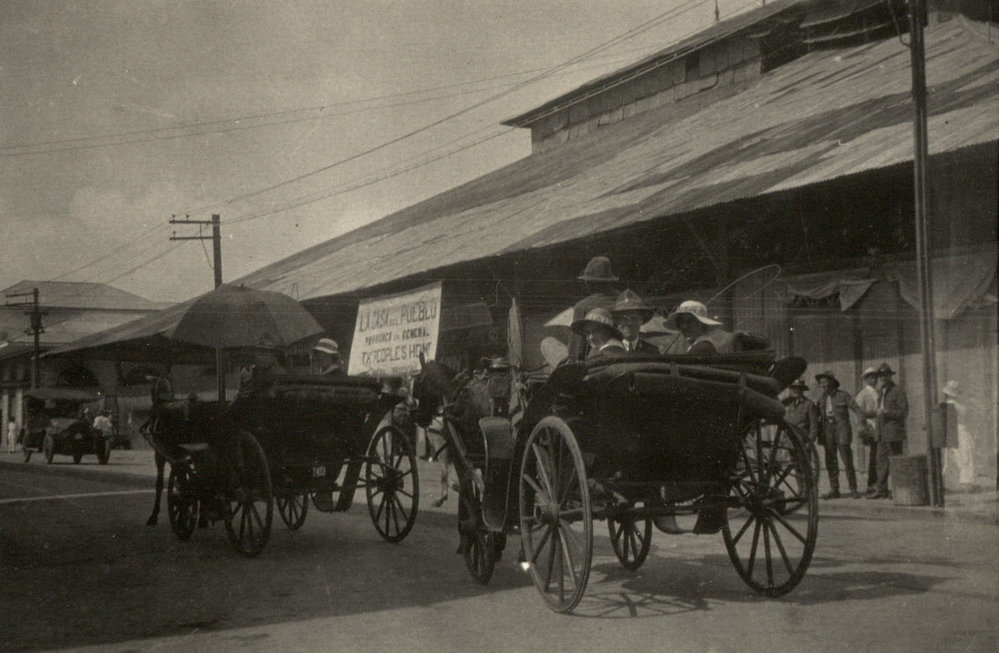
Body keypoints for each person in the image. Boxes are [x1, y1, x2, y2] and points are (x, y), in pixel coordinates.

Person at [815, 371, 864, 499]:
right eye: (821, 383)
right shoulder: (821, 398)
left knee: (847, 460)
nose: (824, 385)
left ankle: (853, 489)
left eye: (825, 382)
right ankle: (834, 489)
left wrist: (860, 424)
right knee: (830, 460)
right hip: (827, 431)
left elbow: (858, 409)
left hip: (842, 430)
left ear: (832, 382)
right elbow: (815, 415)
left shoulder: (843, 395)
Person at [568, 256, 621, 361]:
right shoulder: (625, 301)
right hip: (628, 355)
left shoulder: (582, 306)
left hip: (596, 359)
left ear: (591, 283)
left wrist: (572, 359)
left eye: (587, 281)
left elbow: (576, 346)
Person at [867, 362, 908, 499]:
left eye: (885, 375)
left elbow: (903, 412)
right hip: (881, 433)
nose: (883, 378)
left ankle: (899, 491)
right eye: (880, 376)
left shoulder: (898, 391)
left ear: (890, 376)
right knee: (881, 462)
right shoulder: (881, 391)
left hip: (894, 432)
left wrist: (886, 412)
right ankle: (881, 490)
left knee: (896, 462)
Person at [663, 300, 735, 354]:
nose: (684, 327)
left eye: (690, 322)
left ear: (702, 324)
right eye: (680, 322)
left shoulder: (703, 346)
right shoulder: (690, 345)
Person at [941, 380, 975, 489]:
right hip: (961, 431)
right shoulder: (960, 406)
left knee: (953, 456)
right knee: (965, 455)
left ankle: (950, 482)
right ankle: (965, 481)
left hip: (953, 431)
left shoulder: (949, 406)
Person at [855, 367, 880, 495]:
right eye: (871, 377)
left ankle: (879, 484)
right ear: (865, 379)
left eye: (875, 377)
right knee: (873, 456)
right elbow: (859, 413)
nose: (874, 379)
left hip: (880, 427)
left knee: (879, 456)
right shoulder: (862, 394)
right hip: (870, 427)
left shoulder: (879, 392)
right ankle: (871, 484)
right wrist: (863, 428)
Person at [611, 289, 661, 355]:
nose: (629, 323)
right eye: (624, 319)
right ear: (617, 321)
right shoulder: (609, 350)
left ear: (642, 320)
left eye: (634, 318)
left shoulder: (652, 351)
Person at [784, 378, 820, 444]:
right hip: (789, 440)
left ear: (802, 389)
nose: (795, 390)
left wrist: (809, 442)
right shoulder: (789, 404)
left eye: (798, 388)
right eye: (794, 388)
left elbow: (814, 426)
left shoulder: (809, 404)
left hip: (802, 441)